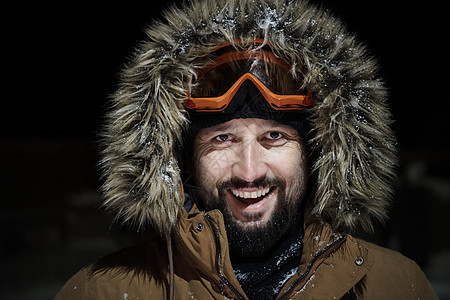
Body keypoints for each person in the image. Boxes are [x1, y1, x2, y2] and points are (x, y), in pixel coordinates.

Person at [56, 0, 438, 299]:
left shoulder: (396, 285)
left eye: (275, 137)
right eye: (222, 138)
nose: (249, 171)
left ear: (319, 154)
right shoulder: (100, 291)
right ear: (183, 156)